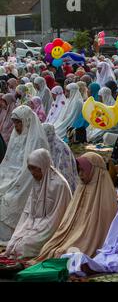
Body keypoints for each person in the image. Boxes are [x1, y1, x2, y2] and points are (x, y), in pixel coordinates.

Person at [35, 153, 118, 261]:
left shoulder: (105, 193)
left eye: (83, 170)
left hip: (87, 238)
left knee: (64, 253)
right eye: (79, 170)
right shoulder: (82, 187)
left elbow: (97, 229)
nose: (80, 174)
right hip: (73, 234)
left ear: (94, 170)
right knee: (48, 248)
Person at [3, 149, 72, 258]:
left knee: (24, 246)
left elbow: (57, 216)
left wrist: (37, 229)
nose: (33, 173)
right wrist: (27, 229)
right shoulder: (38, 182)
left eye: (35, 169)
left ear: (43, 165)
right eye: (30, 169)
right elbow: (29, 212)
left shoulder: (59, 184)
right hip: (36, 222)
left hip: (52, 225)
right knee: (13, 243)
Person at [0, 106, 49, 245]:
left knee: (9, 198)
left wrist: (14, 181)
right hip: (12, 174)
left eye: (18, 122)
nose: (15, 126)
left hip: (29, 177)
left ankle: (9, 234)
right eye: (14, 122)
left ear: (26, 121)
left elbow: (33, 170)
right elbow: (9, 161)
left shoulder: (37, 139)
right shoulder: (16, 135)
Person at [42, 124, 78, 192]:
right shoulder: (49, 145)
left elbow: (64, 170)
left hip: (62, 182)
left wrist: (56, 184)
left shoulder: (61, 147)